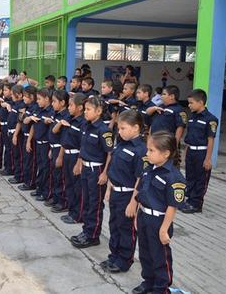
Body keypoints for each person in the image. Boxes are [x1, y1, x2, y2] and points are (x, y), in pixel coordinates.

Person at [132, 131, 186, 294]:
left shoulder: (174, 177)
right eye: (147, 149)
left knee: (160, 257)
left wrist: (164, 228)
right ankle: (148, 281)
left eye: (151, 150)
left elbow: (172, 206)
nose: (147, 153)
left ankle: (161, 287)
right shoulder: (149, 169)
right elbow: (140, 194)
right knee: (145, 253)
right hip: (144, 217)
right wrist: (136, 216)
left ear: (166, 153)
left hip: (159, 221)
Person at [103, 110, 147, 274]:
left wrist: (133, 202)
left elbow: (140, 179)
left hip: (128, 195)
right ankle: (114, 255)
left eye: (123, 128)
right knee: (114, 225)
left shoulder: (141, 150)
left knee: (126, 228)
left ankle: (124, 260)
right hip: (115, 192)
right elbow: (114, 169)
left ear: (136, 128)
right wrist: (108, 188)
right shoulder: (121, 143)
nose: (119, 132)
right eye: (118, 128)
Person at [71, 96, 113, 248]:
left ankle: (93, 235)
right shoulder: (86, 126)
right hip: (86, 168)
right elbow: (83, 147)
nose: (85, 112)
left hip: (97, 169)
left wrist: (105, 173)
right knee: (87, 201)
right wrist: (80, 162)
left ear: (99, 111)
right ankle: (86, 230)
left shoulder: (104, 130)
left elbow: (110, 153)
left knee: (95, 203)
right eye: (85, 109)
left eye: (89, 110)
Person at [182, 89, 218, 214]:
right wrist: (186, 153)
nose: (189, 105)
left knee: (201, 178)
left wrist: (208, 159)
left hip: (202, 153)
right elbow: (189, 137)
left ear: (201, 102)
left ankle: (196, 204)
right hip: (191, 151)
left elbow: (210, 140)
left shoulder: (210, 119)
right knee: (190, 177)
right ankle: (189, 200)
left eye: (191, 103)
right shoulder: (192, 117)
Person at [59, 93, 86, 224]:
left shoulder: (83, 123)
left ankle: (78, 215)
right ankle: (71, 211)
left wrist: (79, 163)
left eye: (71, 105)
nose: (69, 107)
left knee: (77, 187)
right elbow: (65, 140)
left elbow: (83, 145)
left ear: (80, 107)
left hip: (76, 156)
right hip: (67, 155)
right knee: (69, 184)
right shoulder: (70, 118)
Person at [26, 88, 54, 201]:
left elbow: (51, 128)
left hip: (46, 144)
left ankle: (46, 192)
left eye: (39, 99)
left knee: (46, 169)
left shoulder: (51, 111)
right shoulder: (38, 109)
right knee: (40, 167)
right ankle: (39, 189)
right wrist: (29, 140)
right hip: (38, 143)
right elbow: (33, 124)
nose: (37, 101)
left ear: (47, 99)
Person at [47, 90, 70, 212]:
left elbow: (64, 140)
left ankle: (63, 202)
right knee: (55, 175)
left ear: (62, 102)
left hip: (60, 150)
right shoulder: (56, 113)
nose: (52, 104)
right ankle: (56, 198)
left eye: (54, 101)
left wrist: (60, 156)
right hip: (54, 148)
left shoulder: (66, 116)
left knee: (61, 177)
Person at [18, 86, 39, 191]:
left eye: (26, 96)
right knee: (26, 161)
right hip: (25, 136)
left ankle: (31, 183)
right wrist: (24, 114)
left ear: (31, 96)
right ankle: (26, 181)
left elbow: (28, 122)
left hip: (31, 138)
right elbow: (21, 118)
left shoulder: (35, 107)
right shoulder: (27, 106)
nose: (24, 98)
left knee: (31, 162)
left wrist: (27, 116)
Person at [7, 85, 25, 184]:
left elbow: (19, 121)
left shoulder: (21, 106)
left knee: (19, 155)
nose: (11, 96)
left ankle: (19, 176)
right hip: (11, 131)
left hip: (17, 133)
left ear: (19, 95)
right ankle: (16, 174)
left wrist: (15, 135)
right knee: (14, 155)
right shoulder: (15, 104)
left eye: (13, 94)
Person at [0, 83, 14, 176]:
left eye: (6, 90)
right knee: (6, 148)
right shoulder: (5, 100)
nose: (4, 92)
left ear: (11, 91)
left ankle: (9, 169)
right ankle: (7, 167)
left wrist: (7, 105)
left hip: (7, 126)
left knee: (8, 149)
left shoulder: (11, 102)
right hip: (2, 126)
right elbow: (0, 114)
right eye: (3, 90)